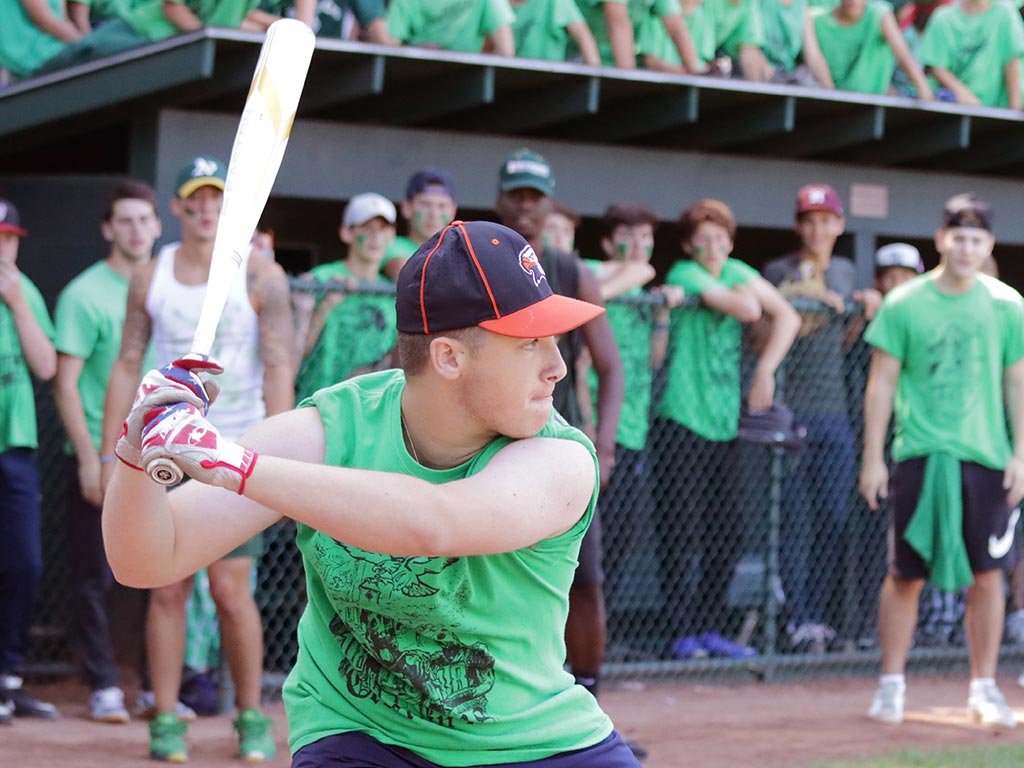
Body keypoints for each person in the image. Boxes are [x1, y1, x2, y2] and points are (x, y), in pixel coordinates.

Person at [103, 218, 644, 767]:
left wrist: (230, 463)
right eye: (530, 344)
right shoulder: (333, 429)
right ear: (450, 357)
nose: (556, 367)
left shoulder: (562, 457)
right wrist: (135, 452)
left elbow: (437, 524)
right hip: (363, 738)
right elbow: (147, 560)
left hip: (534, 742)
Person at [99, 156, 294, 762]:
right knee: (166, 587)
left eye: (217, 198)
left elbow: (280, 367)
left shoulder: (262, 275)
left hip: (234, 448)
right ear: (179, 206)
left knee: (233, 592)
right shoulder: (150, 275)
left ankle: (249, 720)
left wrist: (275, 458)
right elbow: (129, 362)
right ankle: (165, 720)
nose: (207, 208)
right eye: (196, 199)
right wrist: (113, 453)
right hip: (162, 446)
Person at [860, 193, 1024, 728]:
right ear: (941, 239)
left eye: (978, 239)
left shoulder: (1007, 304)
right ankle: (890, 685)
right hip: (920, 456)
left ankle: (982, 687)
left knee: (989, 575)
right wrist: (872, 458)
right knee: (905, 574)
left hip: (987, 458)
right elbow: (881, 382)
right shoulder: (904, 302)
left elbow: (1016, 381)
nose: (967, 247)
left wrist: (1021, 452)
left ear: (990, 245)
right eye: (959, 237)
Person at [493, 148, 627, 751]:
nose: (526, 205)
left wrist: (603, 440)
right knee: (493, 577)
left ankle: (587, 711)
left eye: (535, 195)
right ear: (500, 199)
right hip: (491, 440)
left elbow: (609, 364)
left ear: (549, 204)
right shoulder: (485, 263)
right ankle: (501, 708)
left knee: (585, 579)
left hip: (557, 444)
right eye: (516, 194)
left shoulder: (571, 269)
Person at [653, 198, 799, 659]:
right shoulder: (683, 273)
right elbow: (749, 310)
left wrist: (765, 370)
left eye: (721, 239)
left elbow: (788, 316)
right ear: (689, 245)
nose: (713, 247)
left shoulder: (734, 268)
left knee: (728, 531)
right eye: (704, 239)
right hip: (680, 416)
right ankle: (680, 633)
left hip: (723, 421)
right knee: (681, 530)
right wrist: (749, 295)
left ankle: (711, 628)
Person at [52, 180, 162, 724]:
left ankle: (152, 689)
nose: (136, 230)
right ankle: (102, 686)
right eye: (125, 220)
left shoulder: (171, 285)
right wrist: (88, 456)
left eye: (145, 219)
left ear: (158, 226)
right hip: (105, 454)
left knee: (161, 572)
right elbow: (65, 384)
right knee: (94, 577)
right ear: (107, 229)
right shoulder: (83, 293)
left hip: (164, 456)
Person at [763, 183, 875, 653]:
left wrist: (863, 305)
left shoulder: (847, 269)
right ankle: (797, 620)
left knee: (833, 516)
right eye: (809, 220)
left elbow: (845, 337)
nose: (817, 228)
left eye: (826, 220)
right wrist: (813, 294)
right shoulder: (779, 270)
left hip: (835, 413)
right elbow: (771, 330)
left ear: (839, 224)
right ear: (798, 225)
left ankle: (822, 620)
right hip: (792, 407)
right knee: (792, 520)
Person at [582, 204, 683, 658]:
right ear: (608, 242)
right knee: (586, 542)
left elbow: (655, 358)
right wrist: (589, 421)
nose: (639, 246)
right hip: (598, 429)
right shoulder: (594, 274)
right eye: (629, 236)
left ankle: (602, 636)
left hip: (635, 428)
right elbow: (583, 344)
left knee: (621, 537)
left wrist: (661, 312)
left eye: (646, 238)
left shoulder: (645, 291)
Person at [0, 196, 60, 725]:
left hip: (14, 446)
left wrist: (17, 301)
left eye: (9, 238)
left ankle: (8, 680)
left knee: (23, 562)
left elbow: (45, 366)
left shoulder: (25, 293)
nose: (3, 248)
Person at [294, 192, 398, 400]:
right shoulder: (320, 279)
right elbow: (293, 352)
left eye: (382, 229)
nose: (375, 237)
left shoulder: (393, 293)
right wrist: (326, 306)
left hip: (370, 405)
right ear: (346, 233)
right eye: (366, 228)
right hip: (318, 402)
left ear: (392, 235)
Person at [810, 0, 934, 99]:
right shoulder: (816, 19)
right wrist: (830, 96)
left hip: (871, 102)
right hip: (832, 102)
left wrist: (922, 86)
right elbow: (815, 60)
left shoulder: (879, 14)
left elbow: (903, 54)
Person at [918, 0, 1024, 109]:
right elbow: (936, 66)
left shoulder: (1005, 12)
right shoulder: (943, 18)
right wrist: (960, 91)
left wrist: (1014, 112)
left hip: (995, 109)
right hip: (955, 108)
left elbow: (1012, 62)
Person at [577, 0, 702, 72]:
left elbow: (676, 26)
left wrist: (695, 72)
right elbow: (617, 22)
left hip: (610, 65)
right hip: (579, 61)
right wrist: (629, 79)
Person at [382, 167, 458, 281]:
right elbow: (404, 272)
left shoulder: (458, 251)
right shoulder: (391, 245)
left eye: (442, 206)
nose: (433, 214)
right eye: (425, 204)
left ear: (453, 211)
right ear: (406, 207)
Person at [386, 0, 516, 56]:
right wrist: (418, 52)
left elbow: (506, 51)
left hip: (466, 80)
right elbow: (390, 47)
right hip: (417, 77)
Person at [0, 0, 83, 79]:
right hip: (38, 57)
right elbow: (45, 20)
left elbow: (62, 20)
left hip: (44, 58)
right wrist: (84, 45)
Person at [510, 0, 601, 66]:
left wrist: (594, 79)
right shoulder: (499, 4)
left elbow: (584, 39)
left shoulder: (555, 2)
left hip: (550, 82)